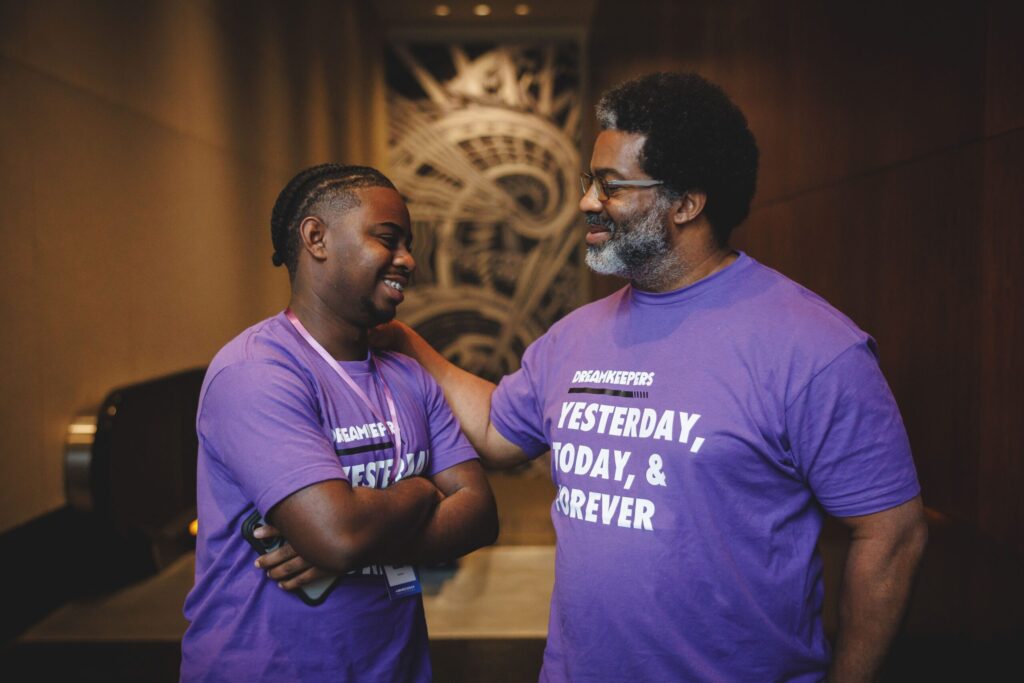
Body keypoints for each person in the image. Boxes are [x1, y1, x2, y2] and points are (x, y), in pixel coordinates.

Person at [379, 72, 928, 682]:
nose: (587, 201)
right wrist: (402, 340)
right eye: (590, 181)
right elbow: (495, 430)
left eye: (610, 187)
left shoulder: (815, 347)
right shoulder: (576, 335)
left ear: (687, 203)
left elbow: (892, 535)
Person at [180, 164, 498, 682]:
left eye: (408, 244)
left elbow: (481, 515)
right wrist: (419, 493)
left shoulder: (408, 375)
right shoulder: (256, 372)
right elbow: (339, 534)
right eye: (388, 239)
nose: (408, 260)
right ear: (316, 238)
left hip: (394, 667)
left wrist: (353, 540)